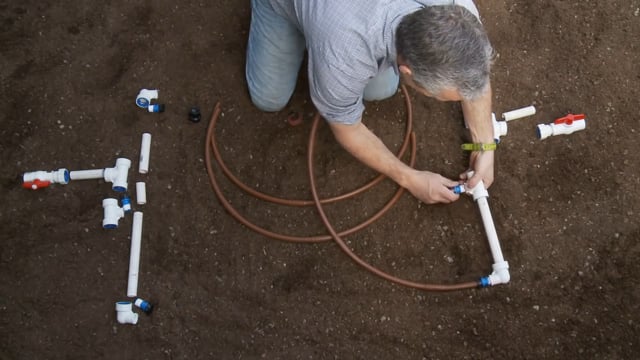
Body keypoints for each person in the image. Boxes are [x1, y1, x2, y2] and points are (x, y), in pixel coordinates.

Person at [245, 0, 495, 204]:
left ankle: (313, 28)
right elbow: (346, 127)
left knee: (380, 90)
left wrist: (486, 146)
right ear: (407, 71)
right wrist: (410, 178)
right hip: (293, 10)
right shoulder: (344, 57)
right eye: (439, 96)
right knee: (269, 98)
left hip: (346, 20)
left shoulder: (457, 12)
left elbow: (475, 79)